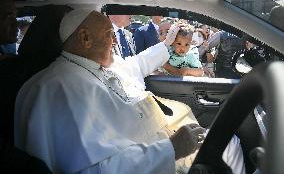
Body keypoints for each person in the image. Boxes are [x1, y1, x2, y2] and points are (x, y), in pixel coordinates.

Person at [15, 9, 246, 174]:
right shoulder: (57, 88)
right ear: (85, 38)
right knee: (228, 146)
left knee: (230, 143)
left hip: (161, 146)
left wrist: (166, 44)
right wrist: (171, 148)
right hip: (156, 158)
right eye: (108, 33)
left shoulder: (100, 64)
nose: (115, 40)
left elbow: (136, 65)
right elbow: (90, 168)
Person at [0, 0, 52, 173]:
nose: (15, 23)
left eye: (16, 15)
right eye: (8, 16)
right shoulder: (18, 69)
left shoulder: (17, 65)